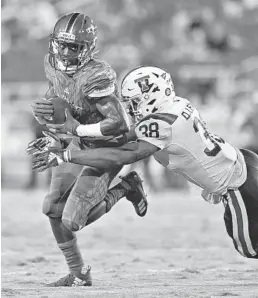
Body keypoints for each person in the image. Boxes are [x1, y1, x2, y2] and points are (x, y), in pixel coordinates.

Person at [32, 66, 258, 260]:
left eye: (135, 102)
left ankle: (127, 187)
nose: (131, 108)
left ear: (152, 96)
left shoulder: (161, 124)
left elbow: (123, 154)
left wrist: (66, 156)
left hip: (238, 184)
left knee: (249, 248)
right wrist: (71, 137)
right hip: (244, 162)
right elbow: (121, 139)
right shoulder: (176, 105)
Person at [29, 13, 148, 287]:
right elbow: (59, 94)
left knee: (72, 221)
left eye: (76, 47)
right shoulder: (51, 63)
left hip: (108, 147)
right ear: (54, 42)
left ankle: (126, 187)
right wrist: (49, 116)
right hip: (79, 139)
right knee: (51, 207)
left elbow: (118, 123)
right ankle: (79, 272)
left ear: (89, 48)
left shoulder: (96, 75)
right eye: (63, 45)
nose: (67, 52)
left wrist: (73, 130)